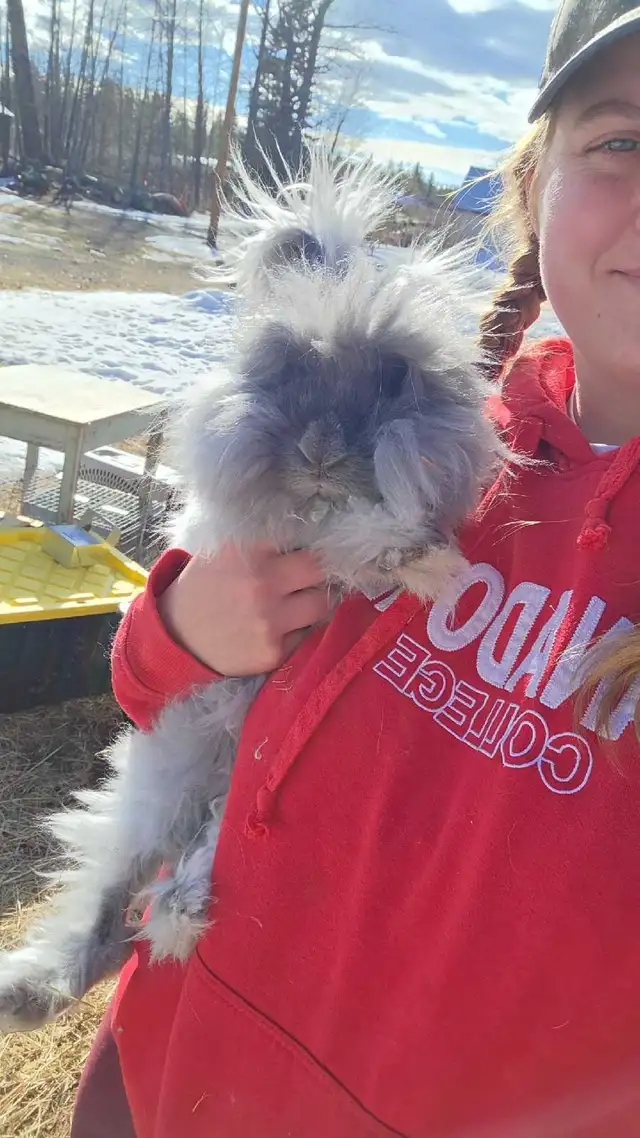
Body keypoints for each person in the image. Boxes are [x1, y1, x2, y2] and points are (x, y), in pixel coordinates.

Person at [71, 0, 640, 1134]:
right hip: (167, 1062)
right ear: (533, 187)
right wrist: (177, 627)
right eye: (619, 143)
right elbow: (171, 699)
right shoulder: (422, 439)